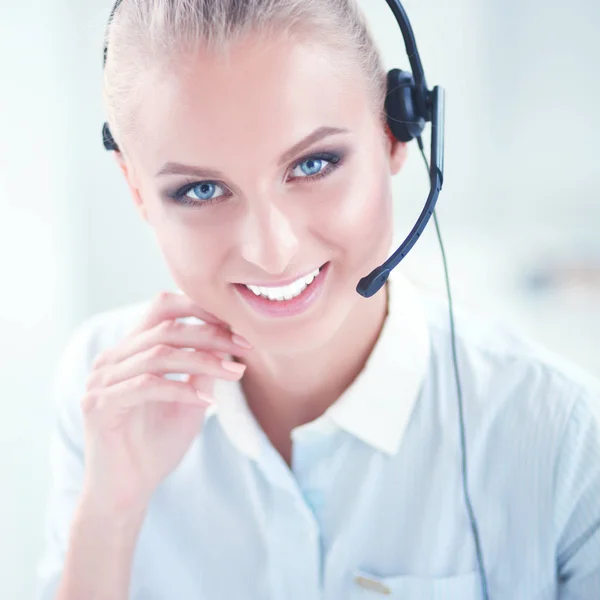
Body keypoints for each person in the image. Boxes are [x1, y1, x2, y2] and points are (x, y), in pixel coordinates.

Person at [36, 1, 600, 599]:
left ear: (395, 132)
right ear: (136, 190)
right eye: (201, 190)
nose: (271, 251)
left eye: (313, 163)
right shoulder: (105, 393)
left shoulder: (555, 438)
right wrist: (110, 515)